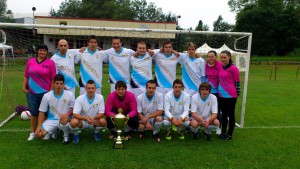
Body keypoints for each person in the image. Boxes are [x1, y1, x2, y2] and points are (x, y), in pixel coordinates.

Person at [22, 44, 56, 141]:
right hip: (32, 92)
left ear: (47, 52)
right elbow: (26, 75)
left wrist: (50, 91)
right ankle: (32, 132)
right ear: (37, 51)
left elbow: (53, 78)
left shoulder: (50, 63)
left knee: (45, 113)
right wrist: (24, 87)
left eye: (44, 51)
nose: (42, 52)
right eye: (40, 50)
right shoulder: (30, 62)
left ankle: (44, 132)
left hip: (45, 93)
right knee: (34, 113)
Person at [35, 74, 75, 144]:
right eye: (57, 83)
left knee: (64, 121)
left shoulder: (70, 94)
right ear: (53, 84)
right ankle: (54, 130)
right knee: (40, 135)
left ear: (63, 85)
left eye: (61, 83)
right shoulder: (47, 96)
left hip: (65, 119)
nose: (59, 85)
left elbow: (73, 109)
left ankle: (66, 136)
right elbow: (42, 112)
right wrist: (38, 126)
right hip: (52, 120)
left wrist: (67, 114)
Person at [218, 50, 240, 140]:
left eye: (225, 57)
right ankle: (223, 132)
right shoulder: (220, 67)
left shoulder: (234, 68)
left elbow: (237, 82)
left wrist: (237, 93)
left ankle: (229, 134)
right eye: (221, 57)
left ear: (229, 57)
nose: (223, 59)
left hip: (231, 95)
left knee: (231, 115)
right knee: (223, 115)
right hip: (221, 95)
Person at [205, 50, 223, 134]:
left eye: (212, 56)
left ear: (216, 57)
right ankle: (208, 126)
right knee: (208, 109)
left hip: (218, 91)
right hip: (208, 91)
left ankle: (218, 126)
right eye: (209, 56)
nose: (210, 58)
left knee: (216, 109)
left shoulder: (220, 65)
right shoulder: (206, 65)